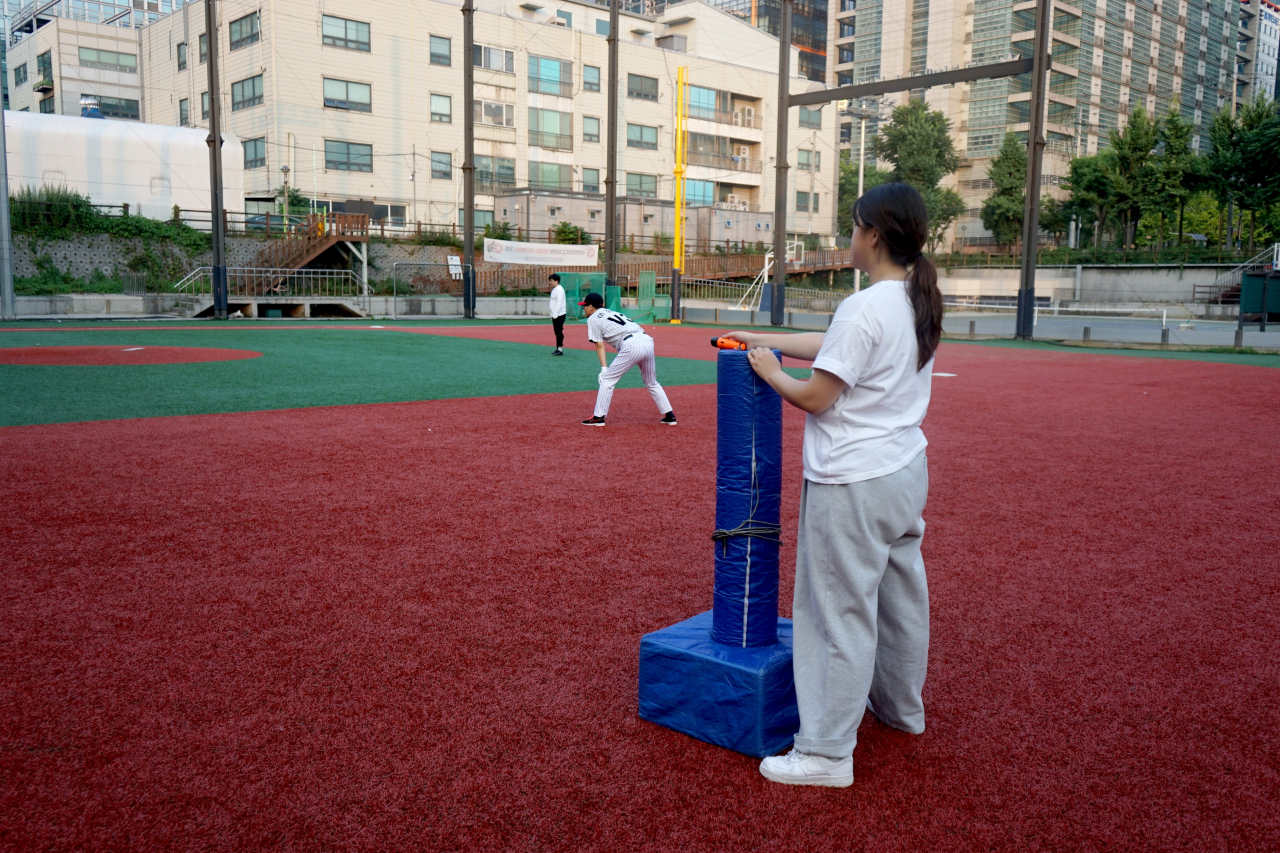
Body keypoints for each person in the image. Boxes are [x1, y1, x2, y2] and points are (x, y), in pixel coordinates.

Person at [722, 183, 943, 788]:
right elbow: (832, 348)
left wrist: (770, 372)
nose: (848, 238)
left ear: (873, 234)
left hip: (853, 479)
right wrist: (760, 341)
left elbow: (819, 395)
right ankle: (901, 710)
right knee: (899, 601)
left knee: (834, 613)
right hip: (903, 472)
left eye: (853, 228)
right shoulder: (914, 299)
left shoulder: (865, 306)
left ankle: (824, 753)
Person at [578, 292, 677, 427]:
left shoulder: (593, 318)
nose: (583, 309)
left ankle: (598, 417)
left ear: (590, 307)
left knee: (607, 379)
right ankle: (669, 415)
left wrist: (604, 368)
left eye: (584, 306)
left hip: (632, 344)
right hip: (647, 340)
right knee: (652, 382)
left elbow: (598, 344)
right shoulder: (611, 312)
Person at [548, 273, 566, 356]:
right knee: (556, 331)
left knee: (558, 331)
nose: (550, 282)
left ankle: (560, 349)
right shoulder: (555, 289)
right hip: (555, 314)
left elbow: (559, 302)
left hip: (559, 315)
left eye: (551, 281)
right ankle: (558, 348)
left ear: (556, 281)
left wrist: (556, 313)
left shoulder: (559, 289)